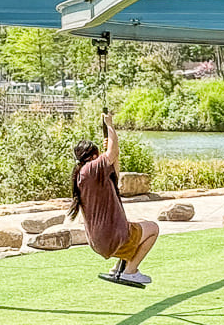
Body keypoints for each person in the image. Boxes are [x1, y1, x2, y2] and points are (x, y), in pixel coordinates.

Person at [68, 113, 159, 285]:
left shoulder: (84, 174)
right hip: (112, 238)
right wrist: (110, 125)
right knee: (153, 228)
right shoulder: (91, 169)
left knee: (139, 223)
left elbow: (114, 171)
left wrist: (111, 147)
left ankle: (118, 269)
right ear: (94, 156)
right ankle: (130, 271)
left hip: (99, 240)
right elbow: (112, 152)